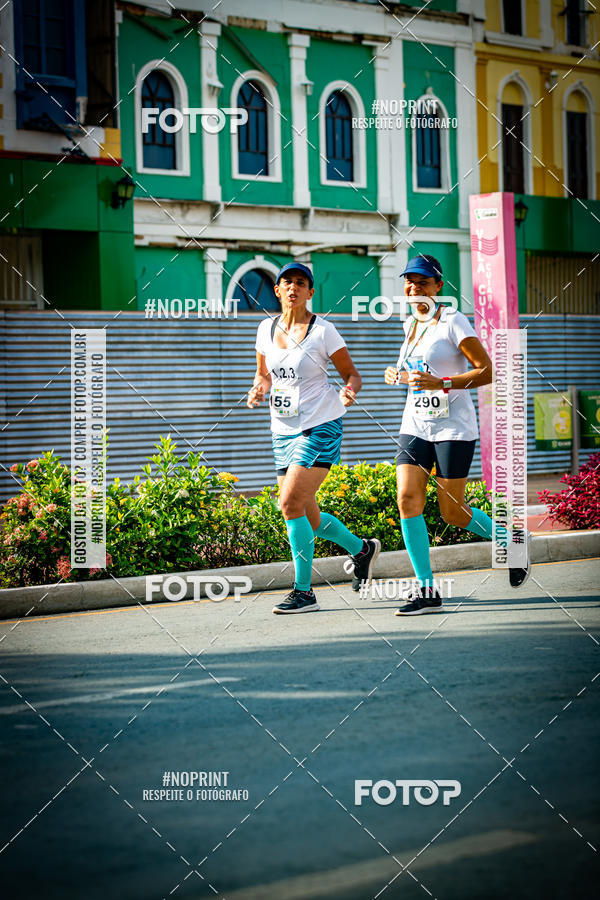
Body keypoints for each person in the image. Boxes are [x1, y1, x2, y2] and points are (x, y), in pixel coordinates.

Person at [383, 254, 531, 616]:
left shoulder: (453, 320)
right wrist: (397, 374)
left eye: (422, 282)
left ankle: (512, 542)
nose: (414, 287)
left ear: (438, 287)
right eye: (409, 281)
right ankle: (427, 589)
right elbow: (420, 373)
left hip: (453, 426)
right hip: (415, 423)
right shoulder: (410, 325)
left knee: (452, 512)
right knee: (407, 500)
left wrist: (444, 383)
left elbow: (488, 370)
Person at [248, 262, 380, 614]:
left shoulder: (324, 332)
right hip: (282, 430)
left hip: (321, 425)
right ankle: (362, 549)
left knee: (289, 504)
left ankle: (304, 592)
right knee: (310, 518)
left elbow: (352, 374)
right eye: (286, 282)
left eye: (301, 282)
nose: (293, 287)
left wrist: (349, 391)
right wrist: (258, 389)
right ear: (277, 290)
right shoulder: (264, 328)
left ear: (310, 291)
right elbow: (263, 375)